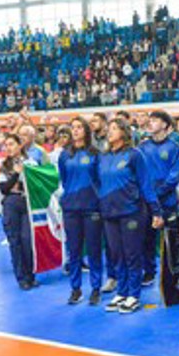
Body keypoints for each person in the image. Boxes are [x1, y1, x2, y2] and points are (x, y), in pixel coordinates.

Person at [98, 118, 163, 314]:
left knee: (132, 254)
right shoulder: (104, 156)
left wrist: (156, 211)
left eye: (115, 128)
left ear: (125, 133)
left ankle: (134, 295)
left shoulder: (135, 155)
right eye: (109, 129)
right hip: (110, 213)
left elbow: (145, 184)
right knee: (116, 254)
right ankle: (122, 291)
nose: (110, 132)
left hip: (132, 212)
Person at [58, 117, 104, 306]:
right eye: (73, 127)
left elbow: (99, 179)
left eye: (79, 127)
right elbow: (63, 177)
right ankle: (75, 289)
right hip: (71, 208)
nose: (75, 130)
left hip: (92, 208)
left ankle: (95, 288)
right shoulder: (64, 155)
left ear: (86, 130)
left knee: (93, 250)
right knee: (74, 251)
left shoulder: (95, 154)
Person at [136, 110, 179, 286]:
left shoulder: (173, 147)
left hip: (167, 201)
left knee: (171, 238)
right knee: (146, 238)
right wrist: (148, 195)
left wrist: (158, 192)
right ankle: (149, 272)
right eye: (150, 120)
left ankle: (173, 273)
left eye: (155, 120)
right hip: (147, 203)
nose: (150, 123)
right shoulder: (142, 148)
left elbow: (175, 174)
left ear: (165, 125)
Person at [0, 134, 36, 290]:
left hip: (27, 202)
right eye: (6, 145)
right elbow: (4, 188)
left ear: (20, 145)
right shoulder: (4, 165)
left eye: (12, 144)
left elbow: (35, 185)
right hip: (11, 203)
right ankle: (21, 278)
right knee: (14, 240)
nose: (9, 148)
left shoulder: (31, 162)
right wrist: (16, 174)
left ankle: (31, 274)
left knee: (27, 239)